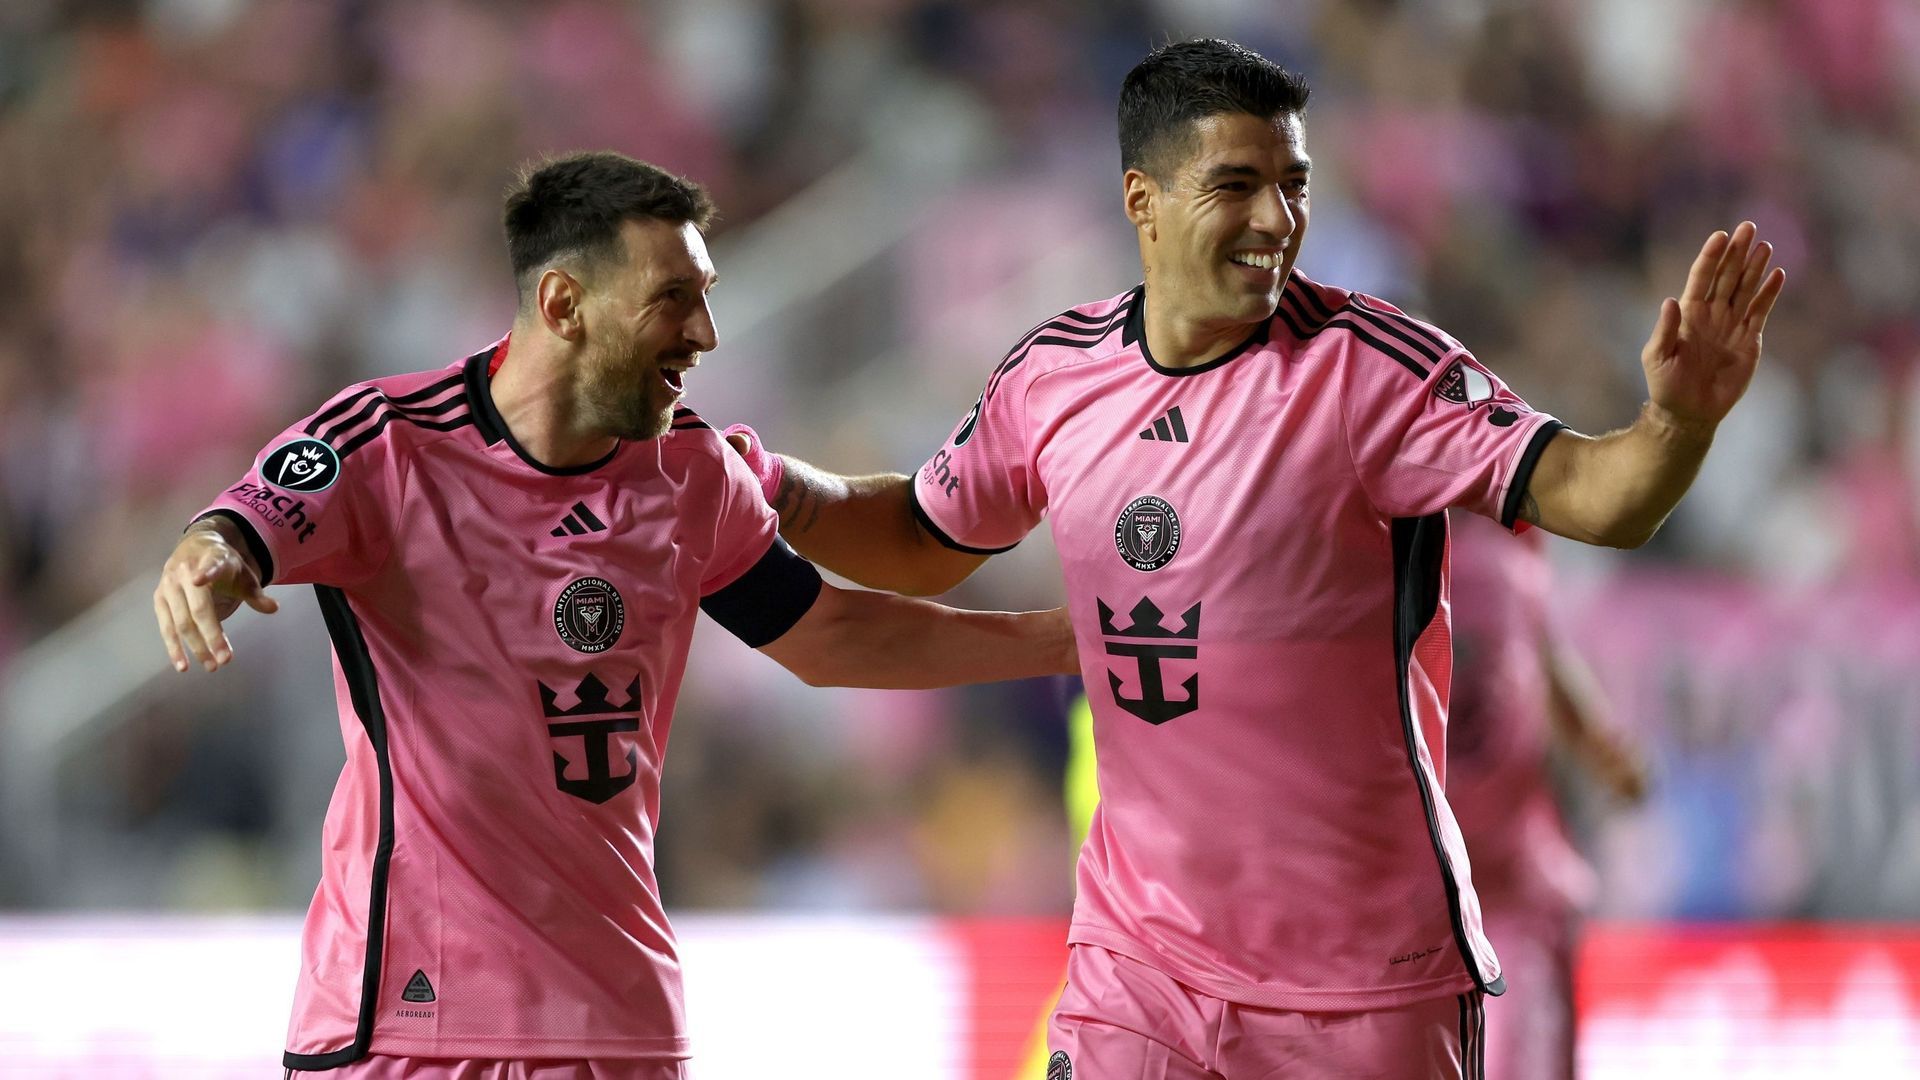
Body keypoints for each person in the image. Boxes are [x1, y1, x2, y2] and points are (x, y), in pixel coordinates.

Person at [723, 37, 1784, 1079]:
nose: (1278, 220)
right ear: (1143, 201)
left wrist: (1676, 424)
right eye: (1238, 184)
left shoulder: (1377, 372)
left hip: (1367, 987)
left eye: (1295, 182)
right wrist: (774, 487)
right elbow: (920, 537)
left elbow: (1601, 497)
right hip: (1141, 972)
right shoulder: (1054, 376)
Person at [150, 150, 1077, 1079]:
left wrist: (1074, 641)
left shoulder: (691, 472)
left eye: (705, 294)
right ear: (563, 305)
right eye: (674, 298)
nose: (705, 333)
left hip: (619, 1027)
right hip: (412, 1026)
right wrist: (209, 559)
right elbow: (243, 526)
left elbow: (832, 633)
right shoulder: (389, 445)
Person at [1445, 511, 1648, 1080]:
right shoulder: (1366, 518)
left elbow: (1540, 641)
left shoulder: (1509, 524)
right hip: (1409, 884)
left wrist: (1597, 736)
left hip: (1512, 876)